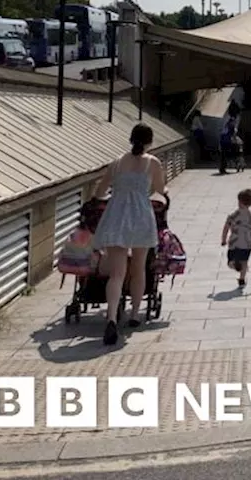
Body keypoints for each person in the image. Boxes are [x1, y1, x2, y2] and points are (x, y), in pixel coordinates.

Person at [91, 123, 166, 346]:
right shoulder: (152, 163)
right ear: (150, 141)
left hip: (116, 218)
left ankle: (112, 317)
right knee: (139, 268)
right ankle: (134, 314)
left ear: (131, 139)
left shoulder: (116, 162)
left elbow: (100, 191)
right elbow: (161, 189)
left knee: (117, 273)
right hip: (141, 218)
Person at [221, 188, 251, 288]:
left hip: (234, 242)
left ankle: (234, 264)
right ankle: (242, 279)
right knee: (245, 261)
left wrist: (223, 239)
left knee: (230, 261)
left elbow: (226, 228)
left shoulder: (232, 216)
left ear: (239, 202)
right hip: (247, 243)